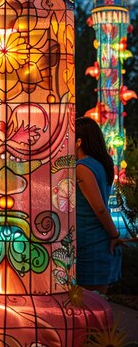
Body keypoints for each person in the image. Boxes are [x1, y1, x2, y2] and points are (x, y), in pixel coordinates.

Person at [75, 116, 123, 294]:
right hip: (98, 242)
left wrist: (114, 234)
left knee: (88, 310)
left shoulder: (82, 167)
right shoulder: (103, 163)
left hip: (90, 243)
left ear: (79, 142)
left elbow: (100, 208)